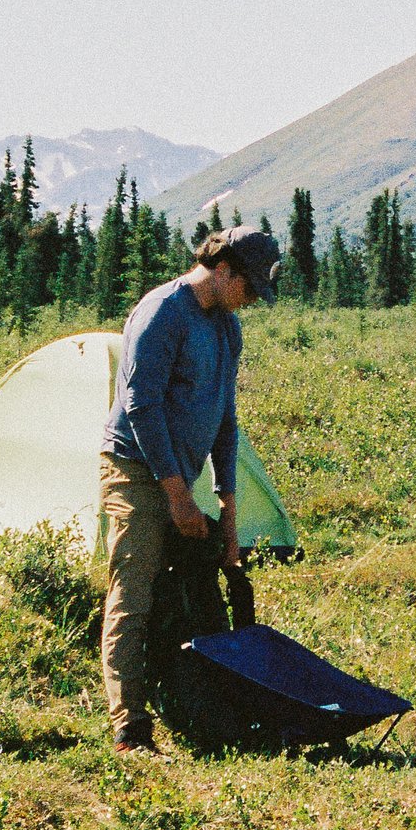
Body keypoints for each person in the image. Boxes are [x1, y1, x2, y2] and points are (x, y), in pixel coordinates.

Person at [98, 226, 282, 752]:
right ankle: (129, 726)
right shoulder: (162, 312)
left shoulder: (227, 329)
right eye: (248, 289)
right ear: (223, 270)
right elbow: (142, 408)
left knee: (190, 584)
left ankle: (193, 694)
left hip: (183, 473)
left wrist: (227, 501)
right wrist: (177, 496)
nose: (248, 303)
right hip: (134, 469)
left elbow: (226, 417)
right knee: (132, 588)